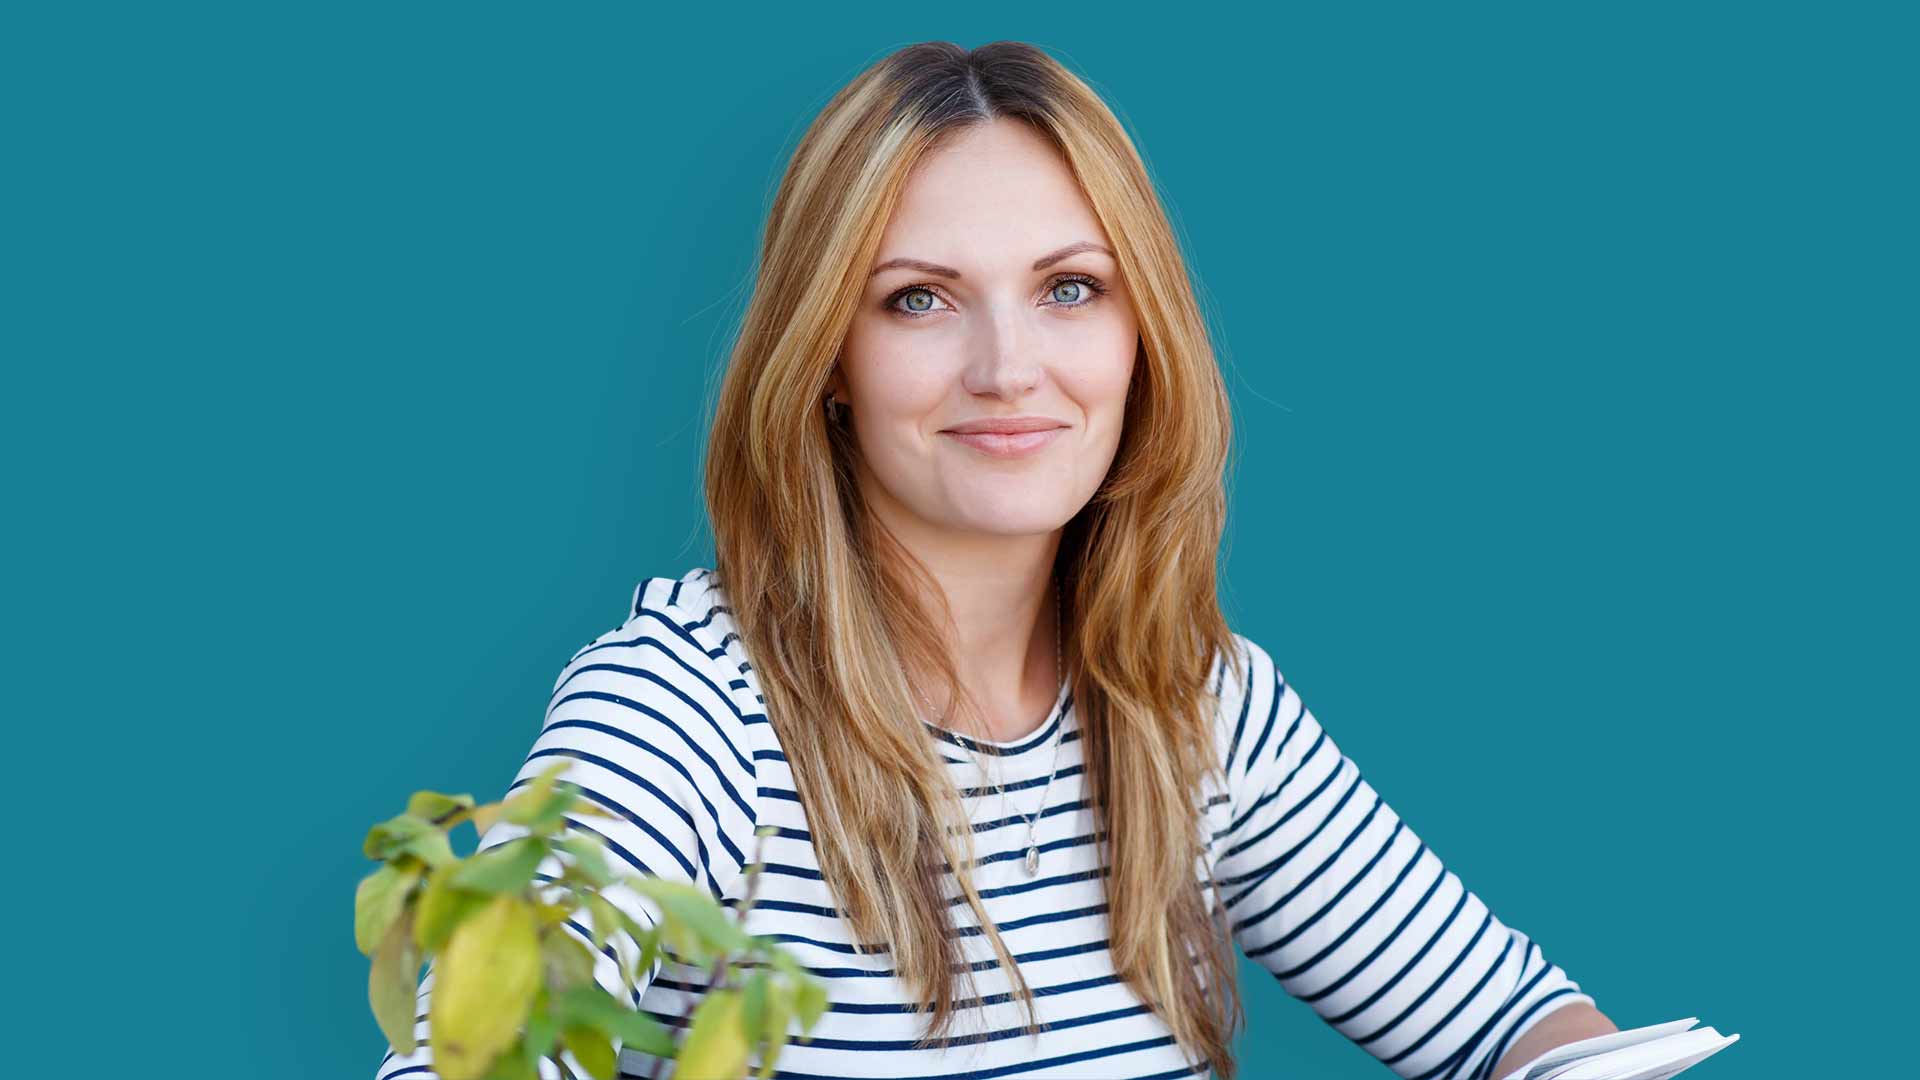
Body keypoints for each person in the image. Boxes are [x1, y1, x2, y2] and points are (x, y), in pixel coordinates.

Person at [376, 39, 1616, 1080]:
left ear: (1144, 338)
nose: (1008, 367)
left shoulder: (1195, 702)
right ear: (827, 364)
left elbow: (1513, 1025)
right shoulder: (685, 712)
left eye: (1071, 289)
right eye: (918, 298)